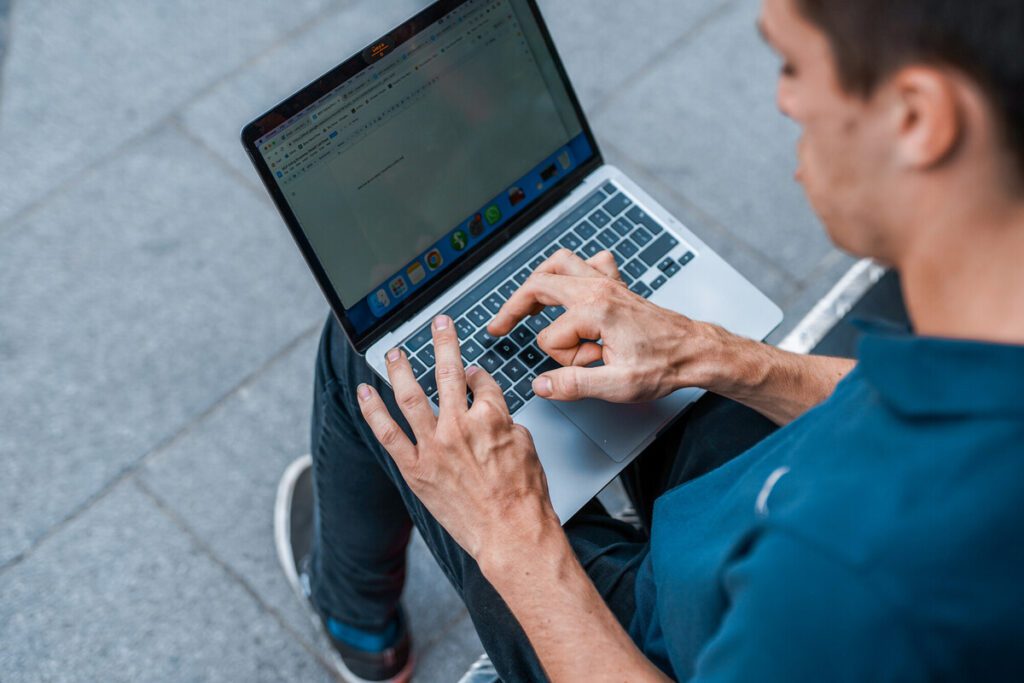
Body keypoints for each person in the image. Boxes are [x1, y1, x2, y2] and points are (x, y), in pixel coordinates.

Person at [275, 0, 1024, 679]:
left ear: (919, 118)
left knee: (373, 364)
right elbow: (897, 411)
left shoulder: (838, 589)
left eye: (794, 65)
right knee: (592, 327)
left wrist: (509, 530)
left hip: (660, 636)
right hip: (751, 504)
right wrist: (713, 352)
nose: (783, 98)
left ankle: (358, 622)